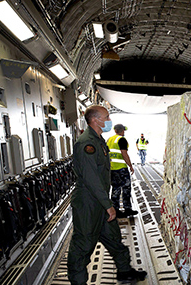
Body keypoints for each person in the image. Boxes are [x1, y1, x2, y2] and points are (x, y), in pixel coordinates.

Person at [67, 105, 146, 285]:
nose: (109, 120)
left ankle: (125, 272)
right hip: (88, 203)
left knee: (114, 239)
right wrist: (108, 204)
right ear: (96, 120)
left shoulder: (99, 140)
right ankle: (78, 282)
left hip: (101, 201)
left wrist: (106, 203)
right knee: (83, 245)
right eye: (107, 117)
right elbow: (91, 179)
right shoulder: (87, 143)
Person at [107, 124, 137, 217]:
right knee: (126, 188)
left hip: (112, 169)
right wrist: (130, 166)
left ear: (115, 130)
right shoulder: (121, 139)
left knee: (115, 189)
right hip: (121, 169)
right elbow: (124, 153)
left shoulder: (109, 140)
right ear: (122, 131)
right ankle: (127, 209)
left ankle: (116, 210)